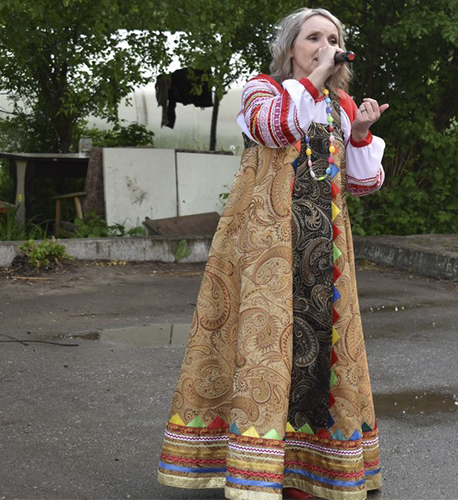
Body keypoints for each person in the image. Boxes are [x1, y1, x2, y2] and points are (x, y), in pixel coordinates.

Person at [157, 8, 388, 500]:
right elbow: (275, 129)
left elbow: (363, 183)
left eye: (333, 39)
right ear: (290, 47)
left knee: (321, 352)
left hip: (325, 249)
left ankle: (315, 469)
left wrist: (361, 133)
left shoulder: (341, 105)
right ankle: (259, 470)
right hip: (267, 246)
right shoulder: (263, 91)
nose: (325, 46)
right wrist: (315, 80)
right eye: (313, 38)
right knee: (265, 347)